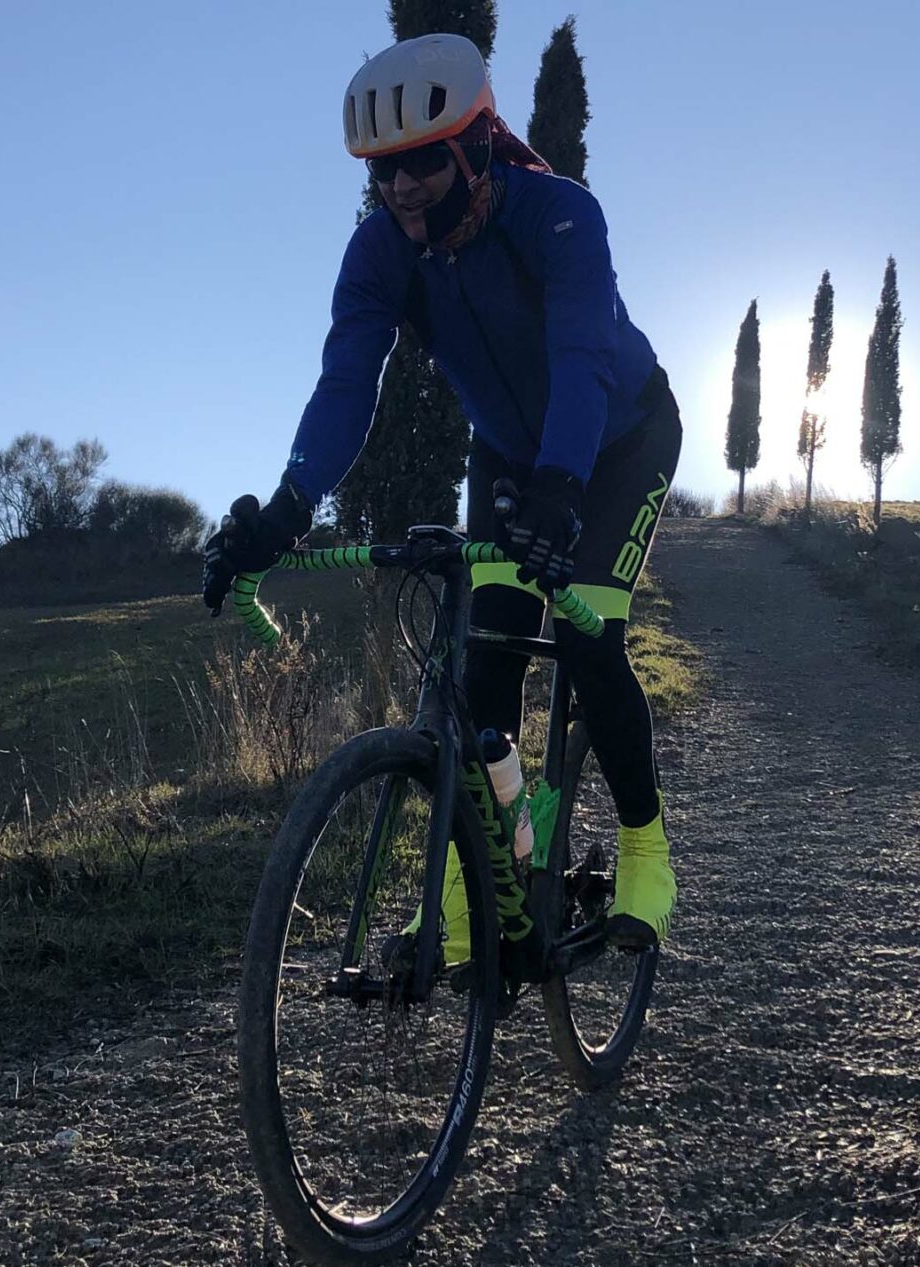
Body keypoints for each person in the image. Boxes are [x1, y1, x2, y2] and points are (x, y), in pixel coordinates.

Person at [202, 33, 681, 949]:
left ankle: (646, 849)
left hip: (618, 441)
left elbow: (581, 357)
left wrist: (561, 488)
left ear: (473, 145)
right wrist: (288, 507)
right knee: (484, 668)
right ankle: (479, 885)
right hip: (507, 455)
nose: (401, 185)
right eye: (382, 169)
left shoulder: (559, 216)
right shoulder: (380, 253)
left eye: (421, 160)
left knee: (587, 636)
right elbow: (348, 383)